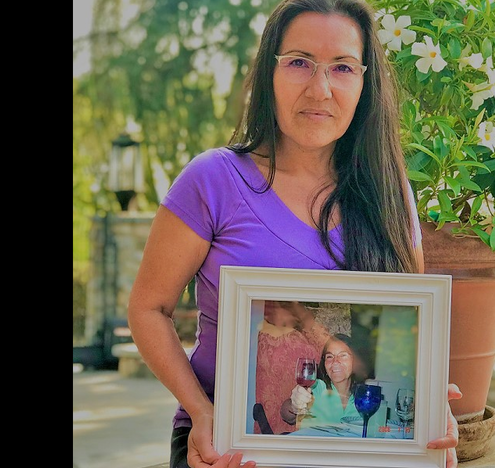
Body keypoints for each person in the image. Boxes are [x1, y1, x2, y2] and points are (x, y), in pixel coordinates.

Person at [126, 0, 461, 467]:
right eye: (300, 63)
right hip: (231, 448)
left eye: (343, 67)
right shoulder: (213, 180)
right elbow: (148, 308)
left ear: (365, 83)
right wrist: (203, 414)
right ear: (270, 73)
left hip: (358, 447)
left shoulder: (391, 194)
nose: (320, 89)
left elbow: (408, 330)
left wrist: (429, 404)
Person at [253, 300, 331, 435]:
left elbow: (331, 351)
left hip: (303, 416)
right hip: (270, 416)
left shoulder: (308, 333)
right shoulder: (257, 331)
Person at [280, 333, 367, 428]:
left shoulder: (364, 397)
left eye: (343, 355)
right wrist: (294, 405)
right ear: (324, 364)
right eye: (329, 356)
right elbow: (286, 414)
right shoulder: (316, 387)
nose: (335, 361)